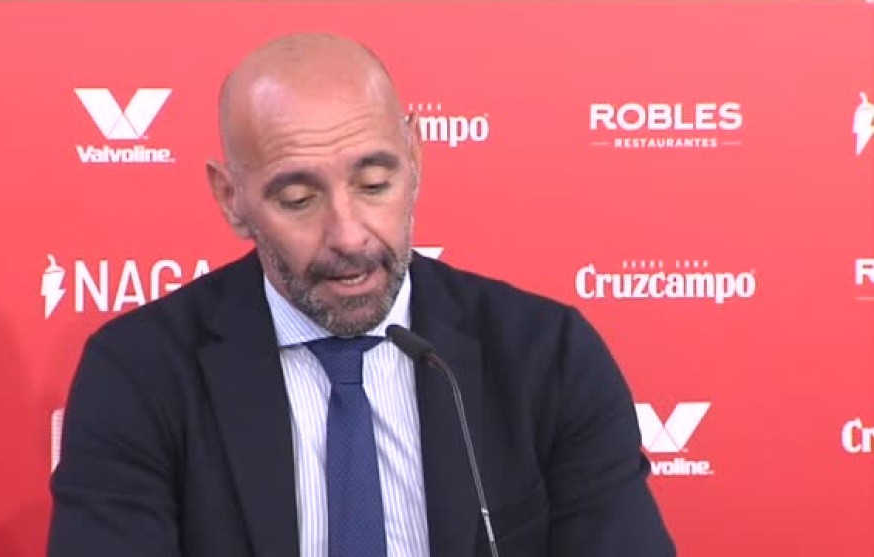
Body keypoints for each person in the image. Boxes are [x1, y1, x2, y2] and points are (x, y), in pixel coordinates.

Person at [47, 32, 676, 557]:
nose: (348, 236)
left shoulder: (547, 355)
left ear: (415, 159)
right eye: (299, 199)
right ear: (231, 198)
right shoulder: (140, 371)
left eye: (374, 184)